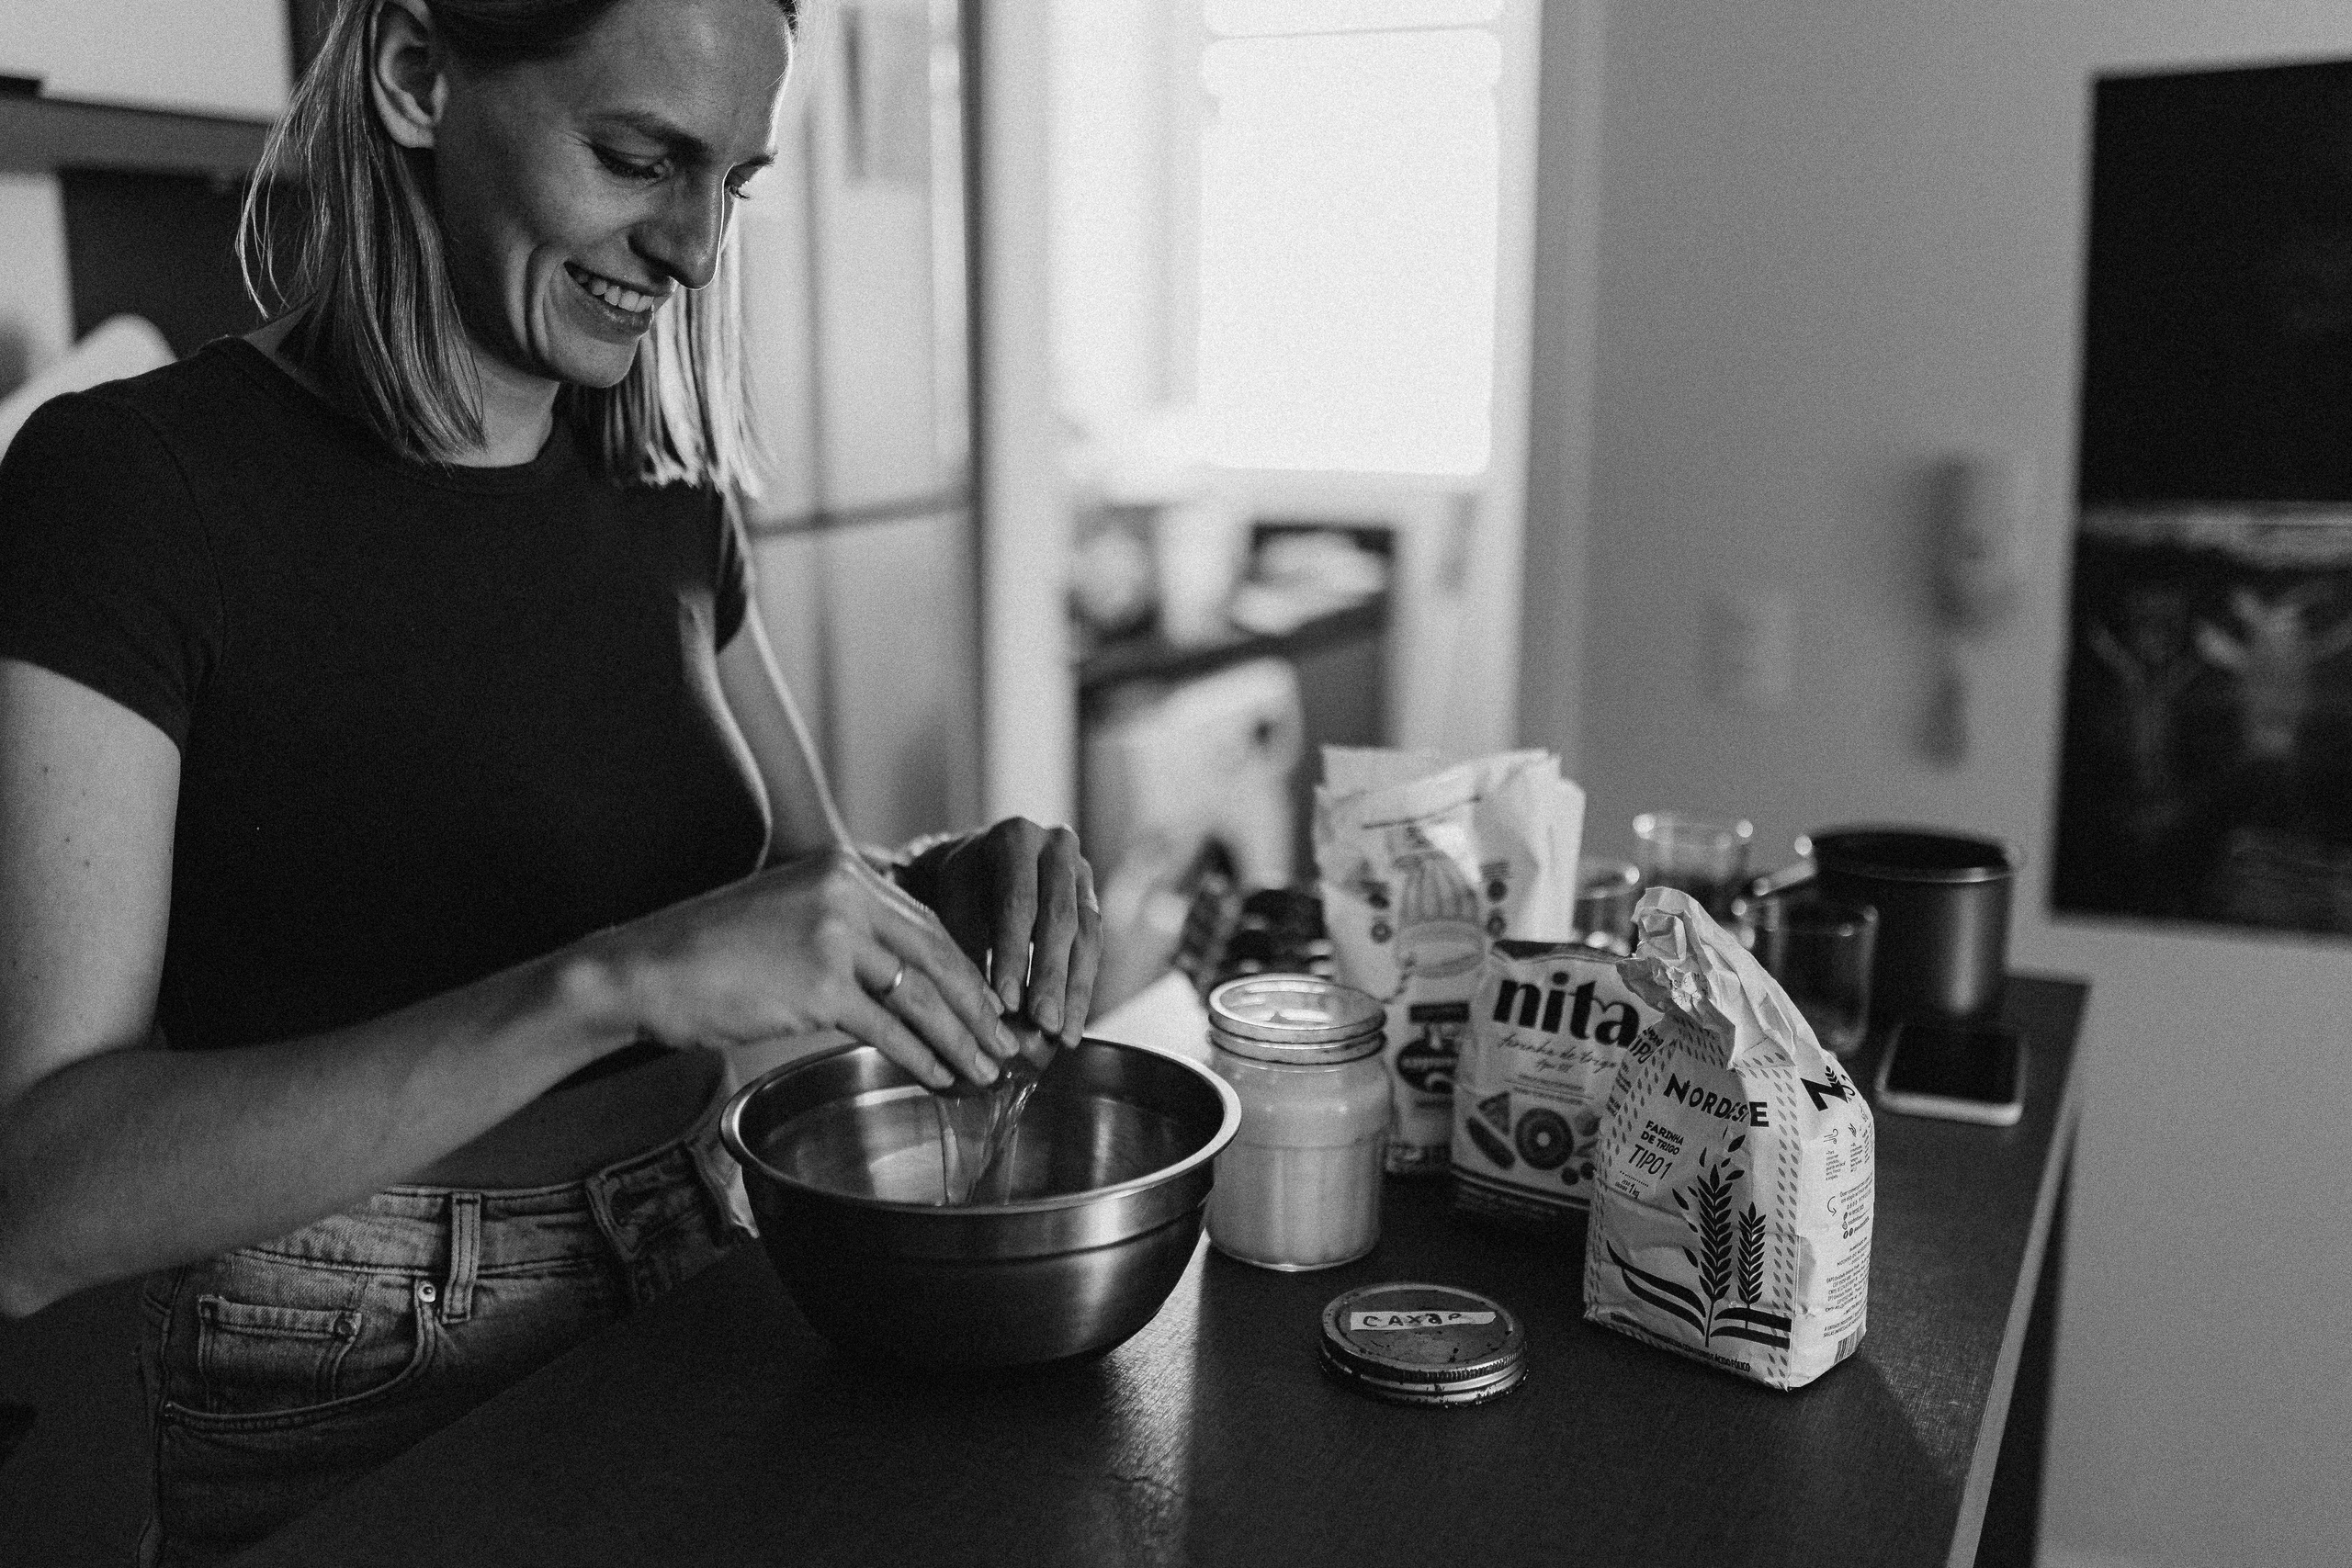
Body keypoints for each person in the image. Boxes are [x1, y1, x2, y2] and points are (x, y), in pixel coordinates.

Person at [0, 0, 1099, 1560]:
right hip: (356, 1363)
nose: (697, 250)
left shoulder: (664, 493)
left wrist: (939, 893)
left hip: (717, 1265)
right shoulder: (127, 491)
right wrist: (607, 989)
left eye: (734, 181)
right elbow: (37, 1203)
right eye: (641, 157)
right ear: (415, 76)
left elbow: (791, 912)